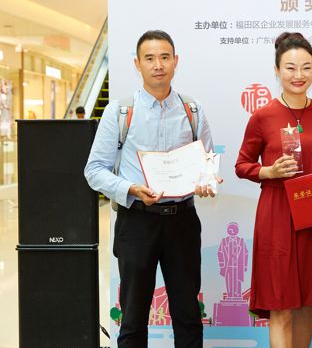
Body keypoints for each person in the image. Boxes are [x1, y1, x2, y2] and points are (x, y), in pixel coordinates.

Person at [85, 29, 217, 348]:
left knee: (187, 314)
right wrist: (130, 188)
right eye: (150, 58)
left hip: (183, 222)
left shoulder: (192, 110)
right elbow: (94, 170)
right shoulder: (120, 111)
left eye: (164, 57)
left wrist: (207, 180)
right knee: (132, 317)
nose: (158, 65)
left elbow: (207, 162)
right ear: (137, 64)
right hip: (137, 222)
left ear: (175, 61)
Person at [235, 32, 312, 348]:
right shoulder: (263, 116)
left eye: (306, 67)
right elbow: (242, 165)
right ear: (277, 70)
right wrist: (269, 171)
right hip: (278, 217)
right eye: (291, 68)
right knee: (281, 306)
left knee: (306, 305)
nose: (299, 75)